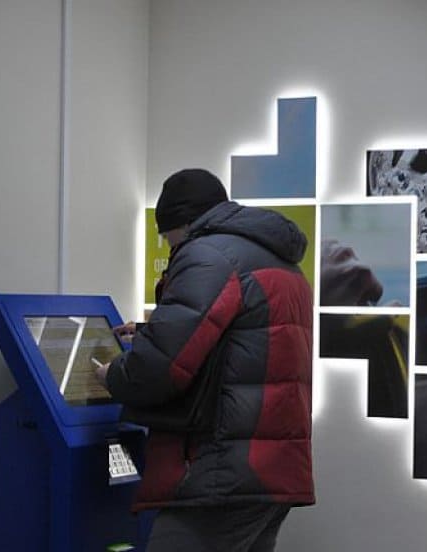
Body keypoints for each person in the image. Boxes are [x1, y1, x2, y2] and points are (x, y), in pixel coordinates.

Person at [95, 168, 314, 551]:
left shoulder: (206, 255)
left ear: (182, 223)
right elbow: (240, 340)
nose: (168, 245)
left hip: (219, 470)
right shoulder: (279, 259)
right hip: (269, 465)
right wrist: (149, 333)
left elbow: (159, 369)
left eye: (166, 235)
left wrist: (112, 374)